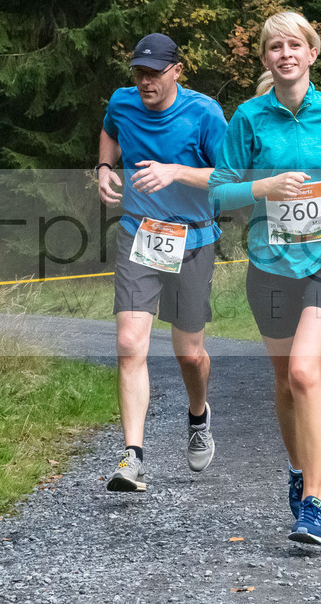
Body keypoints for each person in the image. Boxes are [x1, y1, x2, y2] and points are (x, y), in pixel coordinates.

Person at [209, 11, 321, 545]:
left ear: (312, 53)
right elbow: (219, 190)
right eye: (274, 48)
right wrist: (262, 188)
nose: (285, 54)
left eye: (295, 45)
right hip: (269, 267)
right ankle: (296, 468)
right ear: (265, 58)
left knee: (307, 374)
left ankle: (313, 503)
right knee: (285, 379)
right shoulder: (248, 117)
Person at [97, 33, 227, 492]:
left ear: (177, 70)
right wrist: (105, 167)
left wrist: (175, 172)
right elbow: (110, 131)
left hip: (193, 239)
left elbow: (230, 177)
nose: (145, 81)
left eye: (154, 72)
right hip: (139, 234)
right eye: (138, 72)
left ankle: (198, 415)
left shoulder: (205, 113)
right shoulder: (123, 101)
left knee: (189, 353)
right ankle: (132, 457)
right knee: (130, 342)